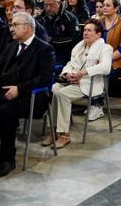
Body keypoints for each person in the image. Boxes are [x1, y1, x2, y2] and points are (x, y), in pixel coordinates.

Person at [0, 13, 56, 179]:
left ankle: (7, 160)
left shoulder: (44, 49)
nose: (11, 29)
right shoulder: (11, 46)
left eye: (15, 25)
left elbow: (44, 79)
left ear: (28, 27)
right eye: (11, 25)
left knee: (4, 111)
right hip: (3, 91)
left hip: (31, 96)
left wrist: (20, 89)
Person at [46, 20, 113, 149]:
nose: (85, 32)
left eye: (89, 30)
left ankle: (64, 135)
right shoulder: (80, 47)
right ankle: (54, 130)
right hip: (74, 81)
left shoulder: (106, 48)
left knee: (62, 94)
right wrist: (67, 74)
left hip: (91, 83)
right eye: (85, 30)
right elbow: (70, 64)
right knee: (54, 88)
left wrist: (83, 73)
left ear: (98, 34)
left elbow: (106, 67)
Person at [97, 0, 121, 84]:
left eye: (108, 5)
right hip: (99, 59)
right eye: (103, 5)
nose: (104, 7)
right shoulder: (99, 22)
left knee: (98, 74)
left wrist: (106, 59)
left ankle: (99, 96)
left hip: (119, 62)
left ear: (116, 8)